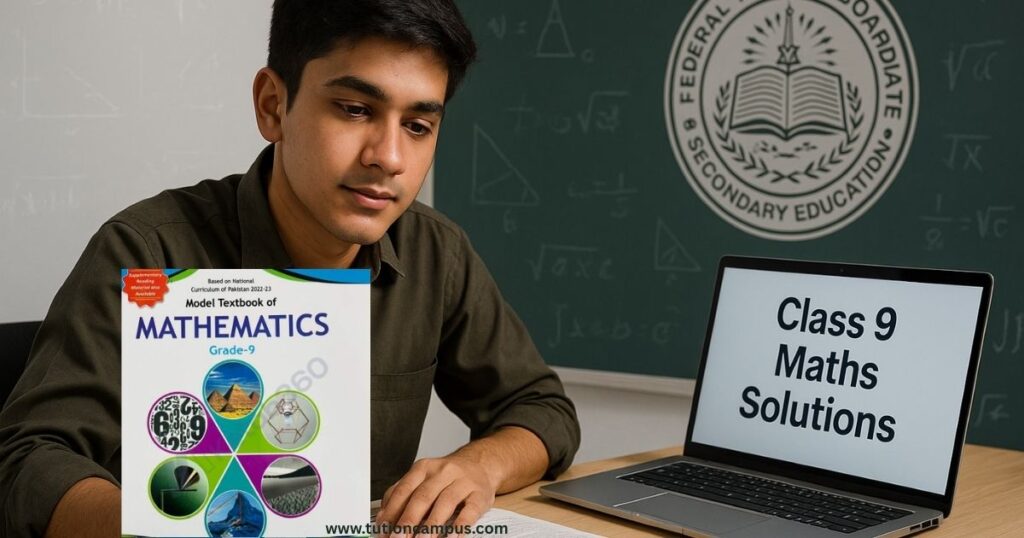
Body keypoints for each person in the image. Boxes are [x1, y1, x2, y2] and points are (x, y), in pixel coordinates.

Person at [0, 1, 581, 536]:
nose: (389, 158)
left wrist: (479, 464)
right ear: (273, 106)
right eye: (355, 110)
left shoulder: (437, 252)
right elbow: (29, 459)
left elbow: (542, 410)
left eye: (418, 125)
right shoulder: (146, 253)